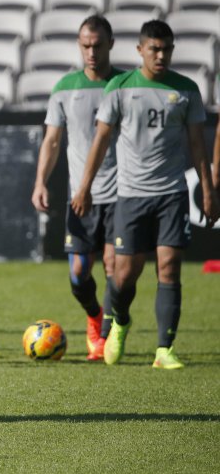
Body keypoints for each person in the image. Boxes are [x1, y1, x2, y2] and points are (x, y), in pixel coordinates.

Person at [72, 20, 220, 369]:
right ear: (140, 50)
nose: (161, 55)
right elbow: (101, 140)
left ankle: (163, 349)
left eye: (166, 49)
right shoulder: (120, 87)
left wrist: (209, 191)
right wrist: (85, 187)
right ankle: (121, 321)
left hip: (171, 193)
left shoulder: (186, 90)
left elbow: (198, 144)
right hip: (131, 196)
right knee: (124, 276)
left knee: (169, 267)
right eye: (154, 49)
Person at [32, 15, 123, 361]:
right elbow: (52, 141)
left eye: (97, 45)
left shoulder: (124, 83)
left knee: (114, 265)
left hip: (121, 192)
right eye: (85, 45)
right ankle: (94, 315)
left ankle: (107, 336)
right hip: (80, 195)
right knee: (79, 273)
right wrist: (40, 181)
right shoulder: (65, 88)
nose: (91, 52)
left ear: (110, 44)